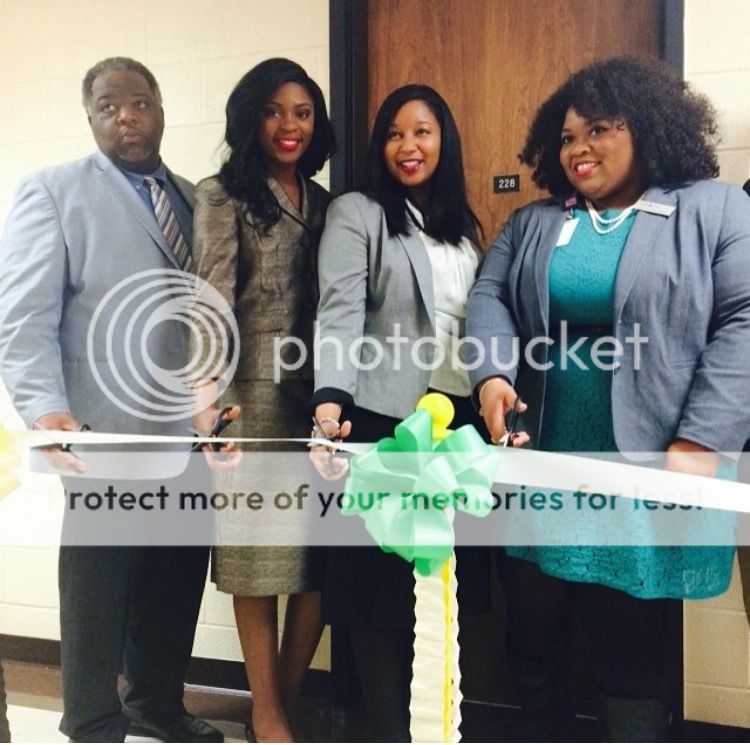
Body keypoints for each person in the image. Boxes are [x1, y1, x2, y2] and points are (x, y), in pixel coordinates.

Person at [467, 56, 750, 741]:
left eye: (597, 129)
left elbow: (744, 317)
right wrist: (493, 374)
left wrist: (702, 438)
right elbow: (489, 296)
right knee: (534, 624)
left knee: (631, 637)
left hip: (651, 459)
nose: (578, 149)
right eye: (566, 137)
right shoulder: (534, 222)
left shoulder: (712, 207)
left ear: (648, 127)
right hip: (546, 456)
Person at [0, 57, 223, 742]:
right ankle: (93, 720)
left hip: (187, 430)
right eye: (106, 107)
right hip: (104, 428)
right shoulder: (53, 190)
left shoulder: (192, 197)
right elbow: (22, 314)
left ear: (159, 106)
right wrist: (44, 409)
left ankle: (155, 702)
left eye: (137, 102)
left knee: (174, 579)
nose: (124, 116)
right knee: (99, 589)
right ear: (91, 118)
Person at [312, 84, 488, 742]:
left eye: (422, 132)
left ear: (445, 142)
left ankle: (439, 727)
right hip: (383, 420)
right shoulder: (360, 212)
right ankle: (387, 731)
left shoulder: (462, 227)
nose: (407, 146)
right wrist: (330, 401)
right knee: (379, 597)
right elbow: (339, 309)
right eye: (394, 133)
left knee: (444, 584)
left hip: (457, 426)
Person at [191, 58, 336, 743]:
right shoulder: (222, 194)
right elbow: (210, 301)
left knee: (320, 557)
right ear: (252, 115)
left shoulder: (329, 201)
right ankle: (266, 706)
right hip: (249, 395)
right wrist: (206, 401)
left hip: (326, 398)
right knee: (257, 554)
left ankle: (290, 689)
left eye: (302, 112)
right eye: (275, 111)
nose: (289, 126)